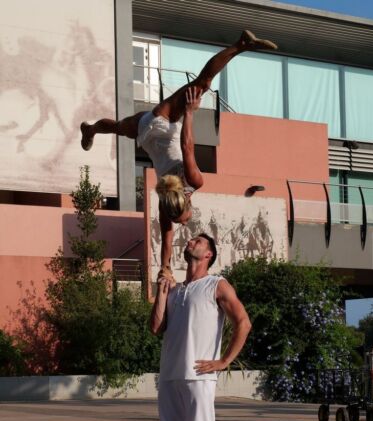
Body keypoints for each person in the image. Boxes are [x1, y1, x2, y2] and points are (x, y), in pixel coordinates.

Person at [80, 30, 277, 280]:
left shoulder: (193, 182)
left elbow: (188, 148)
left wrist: (191, 113)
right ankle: (91, 129)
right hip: (146, 133)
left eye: (182, 220)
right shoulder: (167, 203)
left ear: (186, 203)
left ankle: (241, 44)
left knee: (203, 84)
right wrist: (165, 267)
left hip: (164, 122)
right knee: (119, 127)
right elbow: (166, 236)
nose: (184, 223)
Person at [149, 233, 252, 421]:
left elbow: (243, 322)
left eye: (199, 241)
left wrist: (223, 361)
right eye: (191, 239)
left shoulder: (216, 285)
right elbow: (156, 327)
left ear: (208, 255)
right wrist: (162, 291)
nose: (191, 241)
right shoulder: (176, 289)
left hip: (199, 376)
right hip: (170, 374)